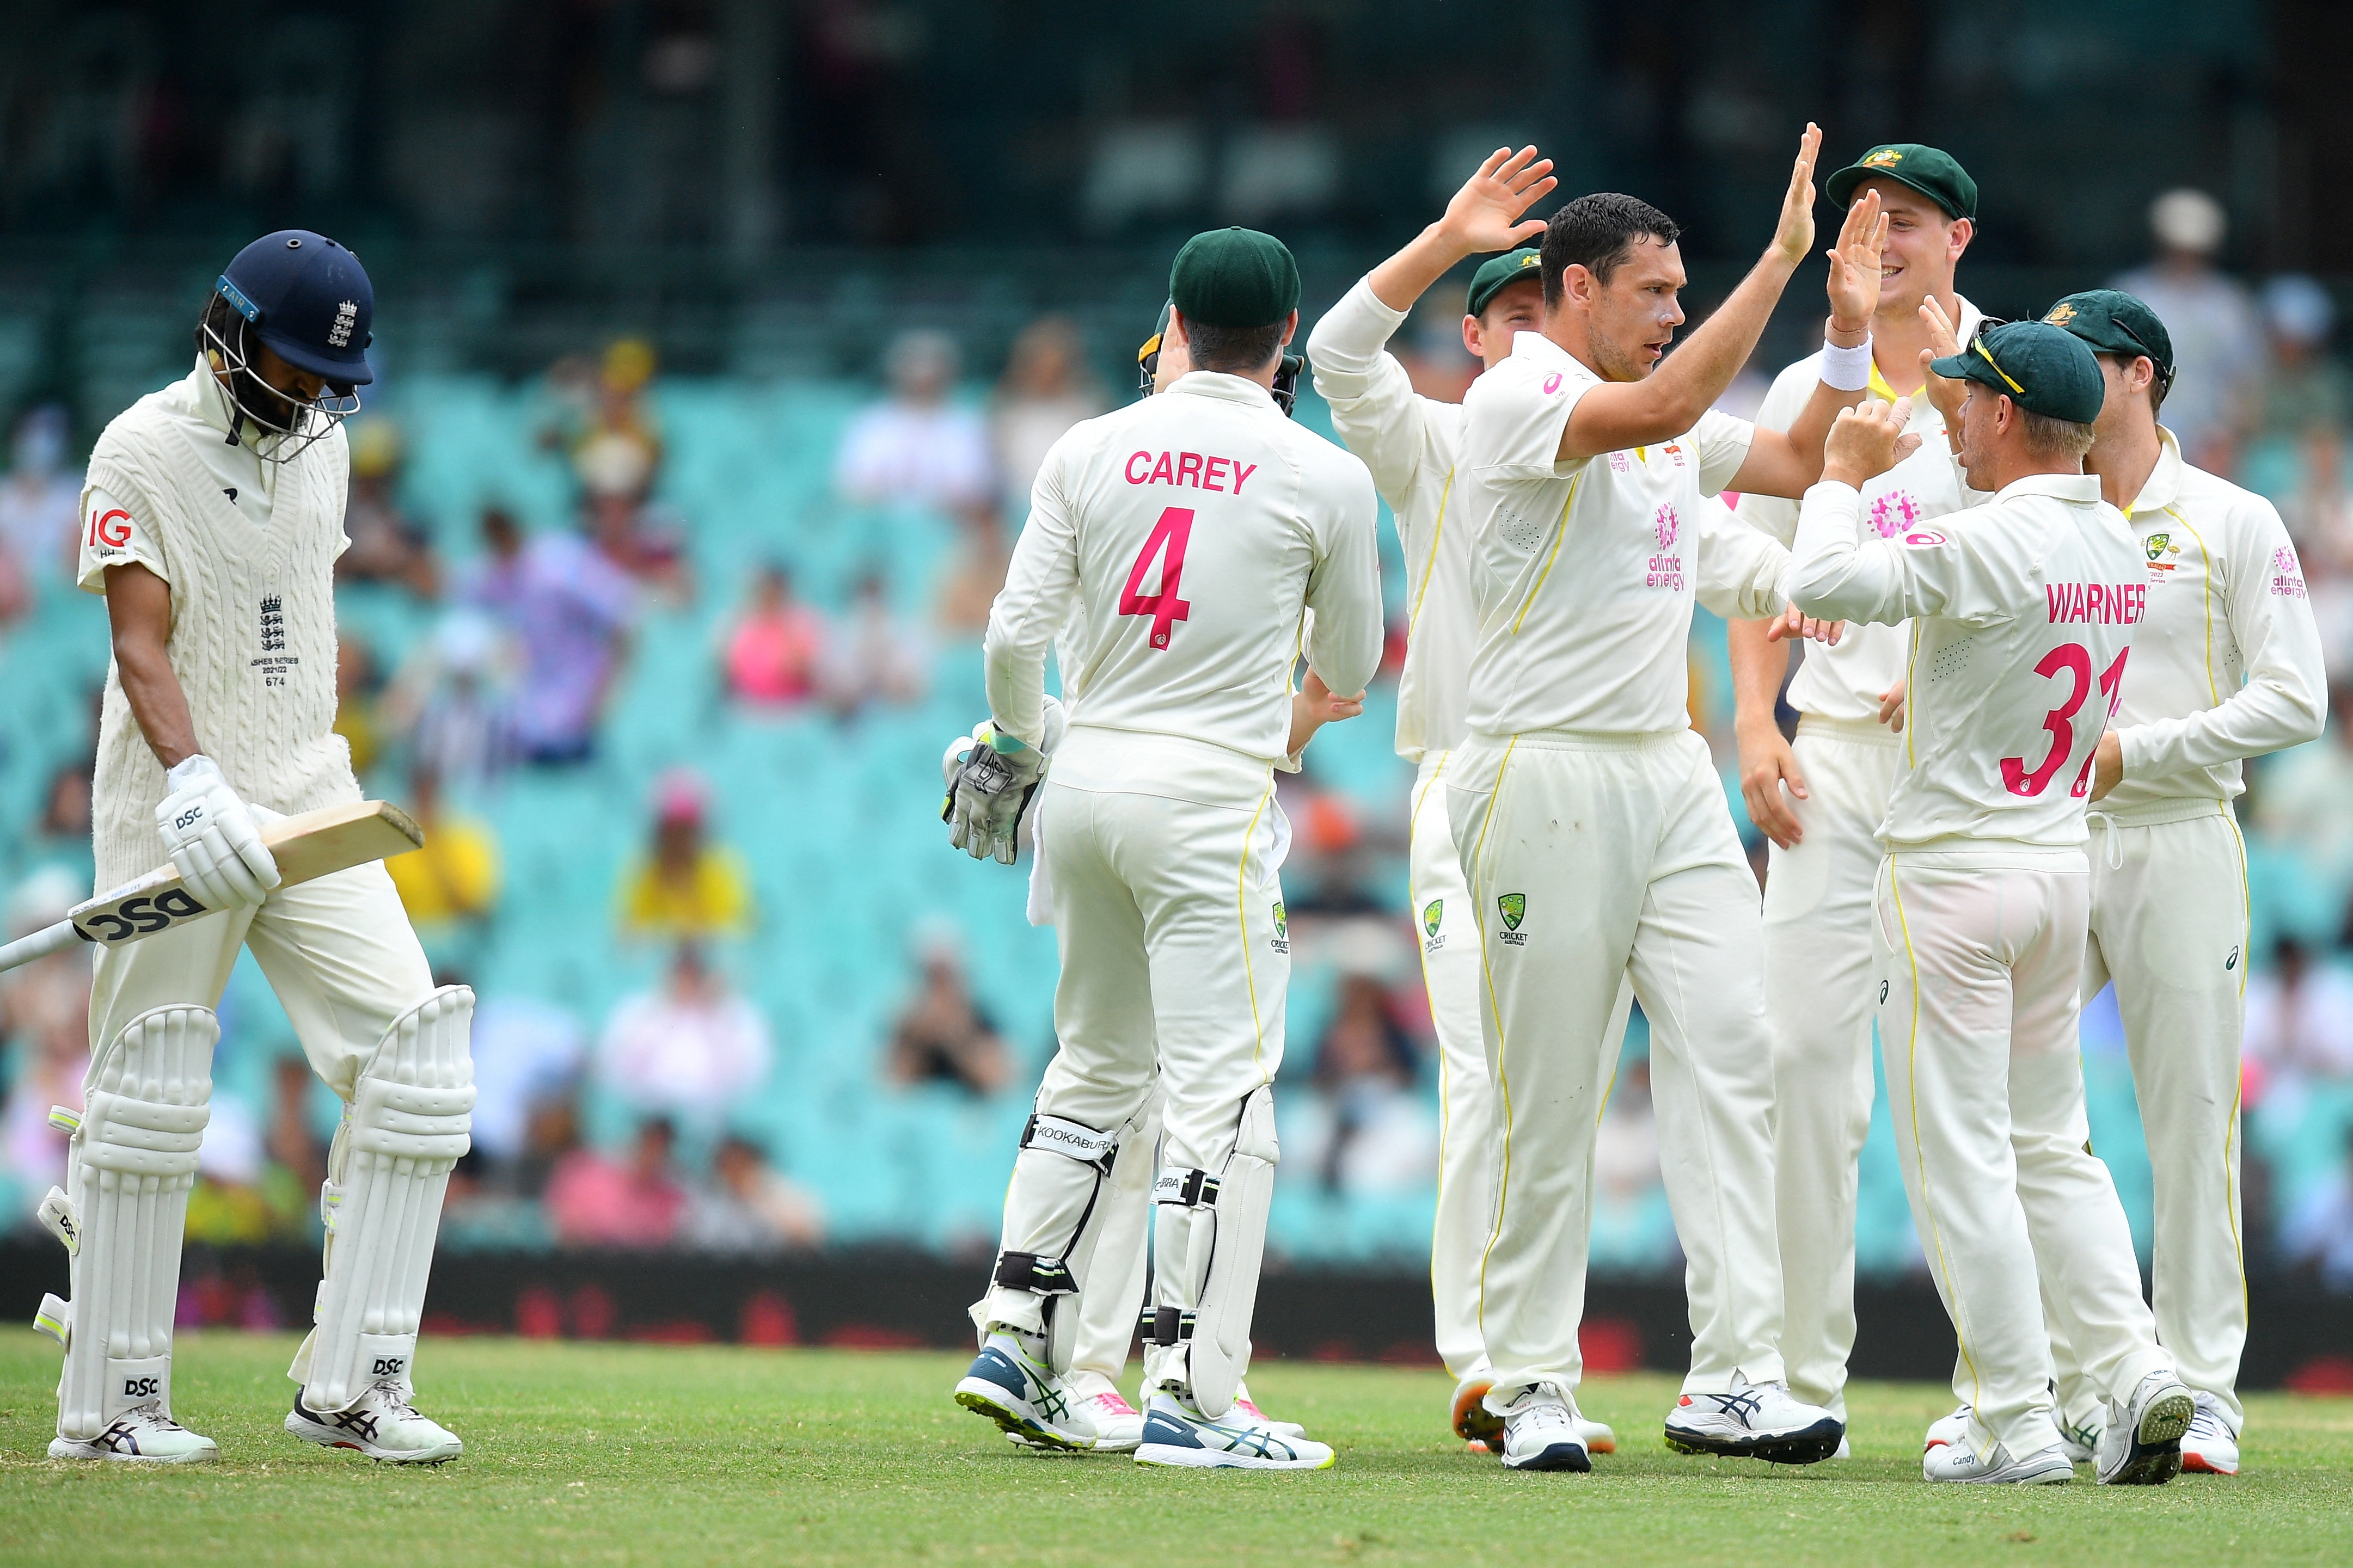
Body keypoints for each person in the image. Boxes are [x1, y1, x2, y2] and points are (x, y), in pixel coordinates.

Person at [1448, 125, 1871, 1474]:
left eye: (1684, 295)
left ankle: (1735, 1374)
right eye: (1655, 292)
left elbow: (1800, 461)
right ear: (1575, 288)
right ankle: (1525, 1379)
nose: (1675, 314)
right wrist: (1778, 263)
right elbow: (1677, 409)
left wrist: (1845, 337)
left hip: (1665, 769)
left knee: (1736, 1051)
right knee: (1551, 1086)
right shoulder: (1518, 396)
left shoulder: (1658, 424)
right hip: (1539, 765)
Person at [947, 225, 1381, 1470]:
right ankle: (1193, 1386)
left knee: (1091, 1067)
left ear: (1175, 320)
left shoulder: (1087, 446)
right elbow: (1348, 666)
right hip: (1209, 797)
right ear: (1288, 337)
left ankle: (1019, 1334)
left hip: (1084, 783)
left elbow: (1010, 636)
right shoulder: (1322, 475)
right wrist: (1290, 709)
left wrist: (1022, 748)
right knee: (1222, 1096)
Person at [43, 231, 471, 1464]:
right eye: (286, 370)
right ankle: (111, 1407)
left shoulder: (322, 447)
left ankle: (354, 1386)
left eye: (323, 380)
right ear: (224, 333)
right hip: (174, 811)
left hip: (307, 797)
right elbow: (142, 644)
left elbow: (285, 619)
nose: (305, 401)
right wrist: (190, 783)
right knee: (152, 1091)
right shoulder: (139, 448)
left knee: (418, 1057)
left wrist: (288, 759)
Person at [1788, 319, 2194, 1486]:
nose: (1952, 418)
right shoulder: (2118, 542)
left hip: (1954, 875)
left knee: (1961, 1157)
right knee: (2049, 1147)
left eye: (1966, 400)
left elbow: (1821, 581)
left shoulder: (1986, 536)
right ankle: (2132, 1365)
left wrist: (1840, 477)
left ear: (2006, 413)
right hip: (2057, 869)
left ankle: (2019, 1420)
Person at [1304, 146, 1626, 1455]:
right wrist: (1447, 237)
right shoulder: (1435, 435)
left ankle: (1527, 1355)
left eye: (1556, 310)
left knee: (1565, 1084)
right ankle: (1490, 1361)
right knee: (1494, 1078)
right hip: (1473, 775)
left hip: (1592, 785)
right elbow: (1335, 354)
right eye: (1516, 313)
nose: (1541, 336)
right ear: (1477, 333)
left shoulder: (1621, 442)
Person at [2039, 287, 2326, 1477]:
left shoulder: (2229, 516)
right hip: (2041, 840)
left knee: (2190, 1118)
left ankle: (2201, 1392)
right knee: (2014, 1116)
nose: (2049, 382)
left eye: (2075, 361)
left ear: (2138, 374)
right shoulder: (2031, 515)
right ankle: (2042, 1385)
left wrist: (2137, 752)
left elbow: (2295, 697)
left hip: (2176, 833)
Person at [1728, 142, 1984, 1441]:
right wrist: (1751, 721)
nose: (1881, 239)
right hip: (1825, 750)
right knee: (1801, 1060)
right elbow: (1753, 570)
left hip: (1961, 772)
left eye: (1909, 221)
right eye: (1863, 219)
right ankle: (1795, 1380)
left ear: (1959, 242)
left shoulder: (2008, 373)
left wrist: (1955, 674)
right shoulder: (1805, 380)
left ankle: (2000, 1387)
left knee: (1957, 1079)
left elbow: (2061, 550)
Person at [463, 505, 638, 766]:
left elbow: (623, 613)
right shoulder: (496, 575)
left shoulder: (559, 560)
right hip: (531, 722)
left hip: (581, 706)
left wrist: (606, 695)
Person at [2112, 190, 2260, 471]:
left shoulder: (2229, 305)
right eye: (2177, 249)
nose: (2185, 259)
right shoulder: (2133, 294)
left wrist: (2232, 439)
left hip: (2214, 444)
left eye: (2194, 251)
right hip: (2142, 438)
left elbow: (2247, 381)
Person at [597, 944, 773, 1127]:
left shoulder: (733, 1014)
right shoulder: (639, 1010)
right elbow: (619, 1066)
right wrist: (664, 1009)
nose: (687, 982)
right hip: (648, 1118)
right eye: (681, 973)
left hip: (711, 1120)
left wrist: (712, 1011)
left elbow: (744, 1076)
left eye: (694, 974)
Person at [835, 329, 995, 517]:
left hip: (949, 524)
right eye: (914, 368)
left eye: (932, 369)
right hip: (881, 524)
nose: (923, 379)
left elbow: (976, 487)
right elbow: (853, 485)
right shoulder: (871, 423)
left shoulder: (967, 425)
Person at [615, 768, 755, 939]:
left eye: (686, 833)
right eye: (672, 833)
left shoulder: (721, 870)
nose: (679, 843)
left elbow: (739, 930)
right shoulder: (644, 872)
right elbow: (628, 935)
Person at [884, 930, 1013, 1096]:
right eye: (933, 978)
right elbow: (892, 1086)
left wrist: (958, 1038)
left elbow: (998, 1082)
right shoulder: (907, 1024)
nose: (941, 987)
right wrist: (920, 1039)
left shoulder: (980, 1019)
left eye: (946, 977)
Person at [721, 563, 828, 706]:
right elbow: (728, 673)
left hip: (795, 708)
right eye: (764, 591)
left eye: (774, 591)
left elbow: (806, 671)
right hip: (749, 710)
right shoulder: (741, 624)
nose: (769, 597)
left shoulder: (803, 622)